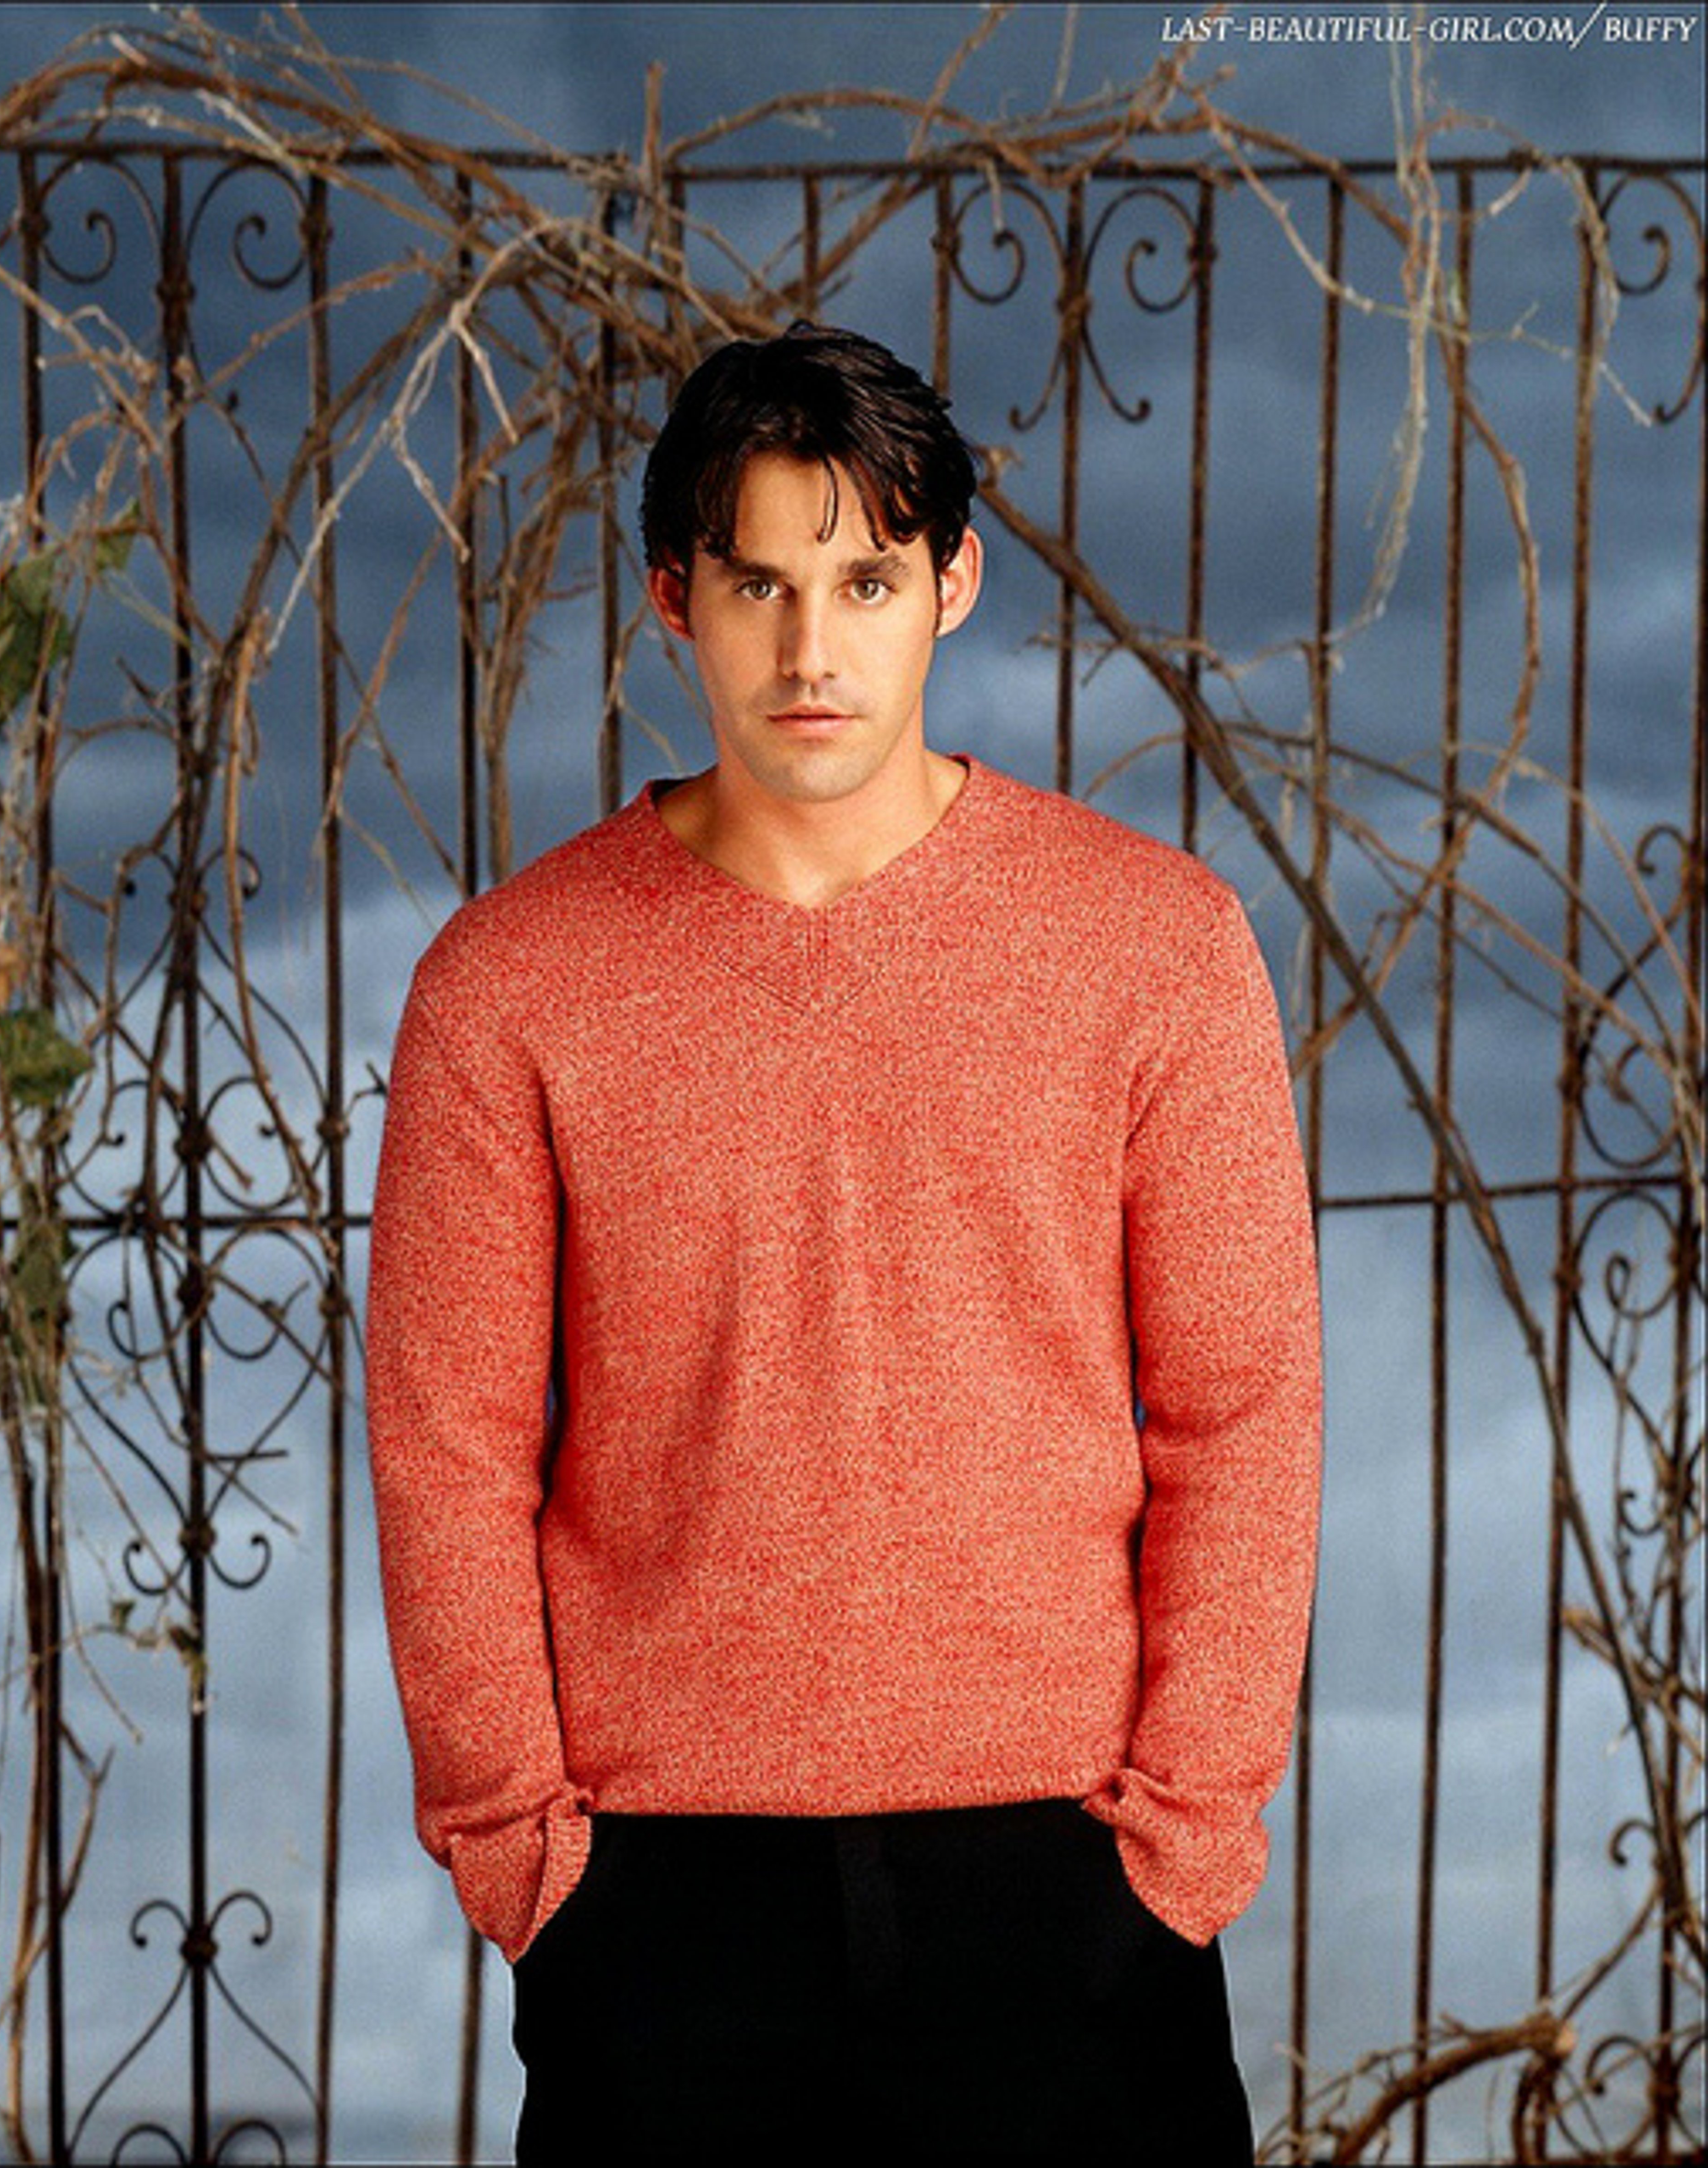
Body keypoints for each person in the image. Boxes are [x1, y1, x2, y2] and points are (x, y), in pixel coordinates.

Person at [366, 322, 1323, 2159]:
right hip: (658, 1911)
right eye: (760, 584)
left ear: (951, 584)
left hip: (1069, 1887)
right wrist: (527, 1862)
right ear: (675, 599)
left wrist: (1181, 1847)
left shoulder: (1157, 949)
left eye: (867, 579)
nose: (813, 649)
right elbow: (447, 1448)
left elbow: (1243, 1411)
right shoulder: (504, 989)